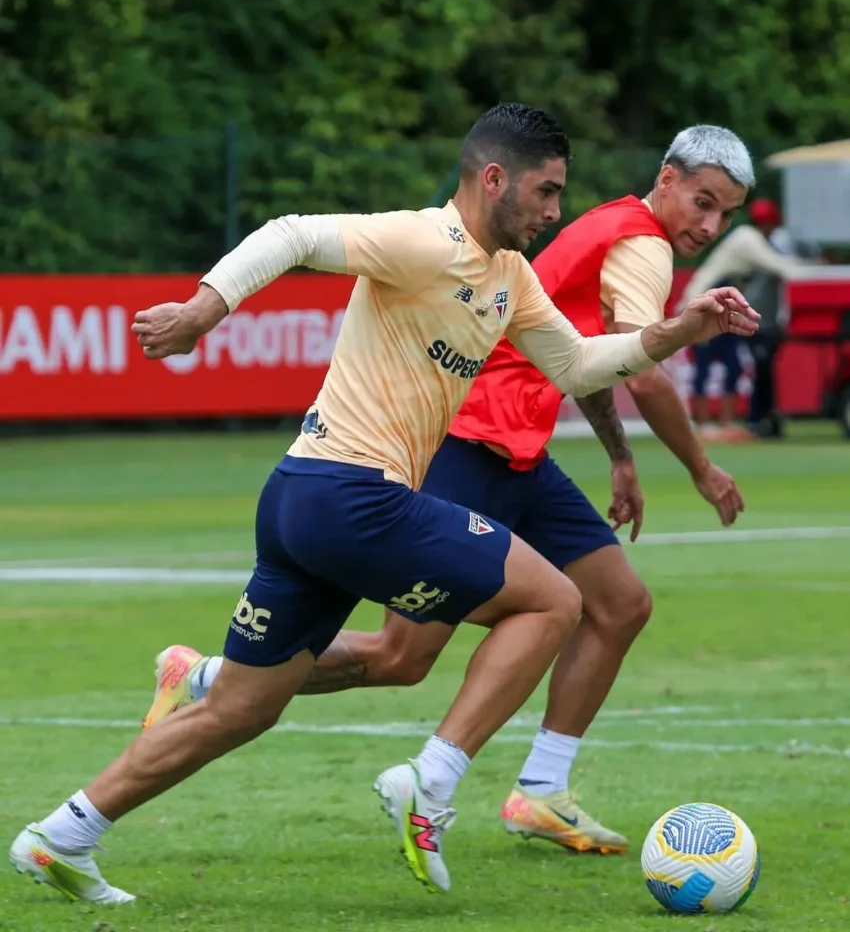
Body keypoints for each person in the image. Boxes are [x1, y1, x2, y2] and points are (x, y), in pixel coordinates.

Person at [10, 104, 758, 904]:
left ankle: (61, 834)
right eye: (544, 193)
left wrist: (678, 330)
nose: (553, 212)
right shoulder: (422, 241)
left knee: (241, 707)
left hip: (301, 501)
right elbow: (291, 234)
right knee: (554, 600)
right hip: (350, 497)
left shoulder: (510, 279)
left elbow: (576, 366)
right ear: (494, 178)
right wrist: (203, 312)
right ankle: (430, 785)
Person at [680, 197, 810, 438]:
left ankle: (726, 423)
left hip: (721, 306)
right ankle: (702, 425)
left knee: (733, 365)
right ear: (769, 223)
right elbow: (780, 266)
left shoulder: (750, 237)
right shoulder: (748, 239)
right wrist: (819, 269)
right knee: (705, 366)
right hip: (702, 305)